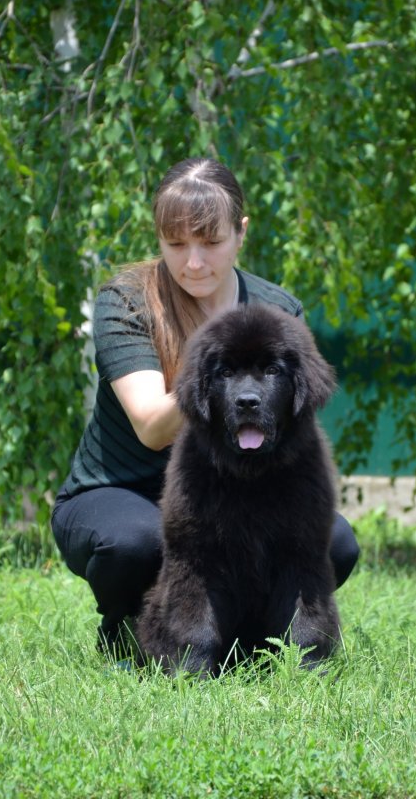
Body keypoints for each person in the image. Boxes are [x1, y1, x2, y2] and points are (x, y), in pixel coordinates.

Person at [51, 157, 360, 656]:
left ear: (241, 233)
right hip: (121, 489)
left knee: (336, 541)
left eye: (211, 242)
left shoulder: (277, 311)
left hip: (235, 484)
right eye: (176, 244)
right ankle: (129, 630)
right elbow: (152, 426)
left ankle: (260, 647)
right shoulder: (127, 302)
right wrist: (213, 363)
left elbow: (295, 416)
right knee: (139, 543)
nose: (193, 262)